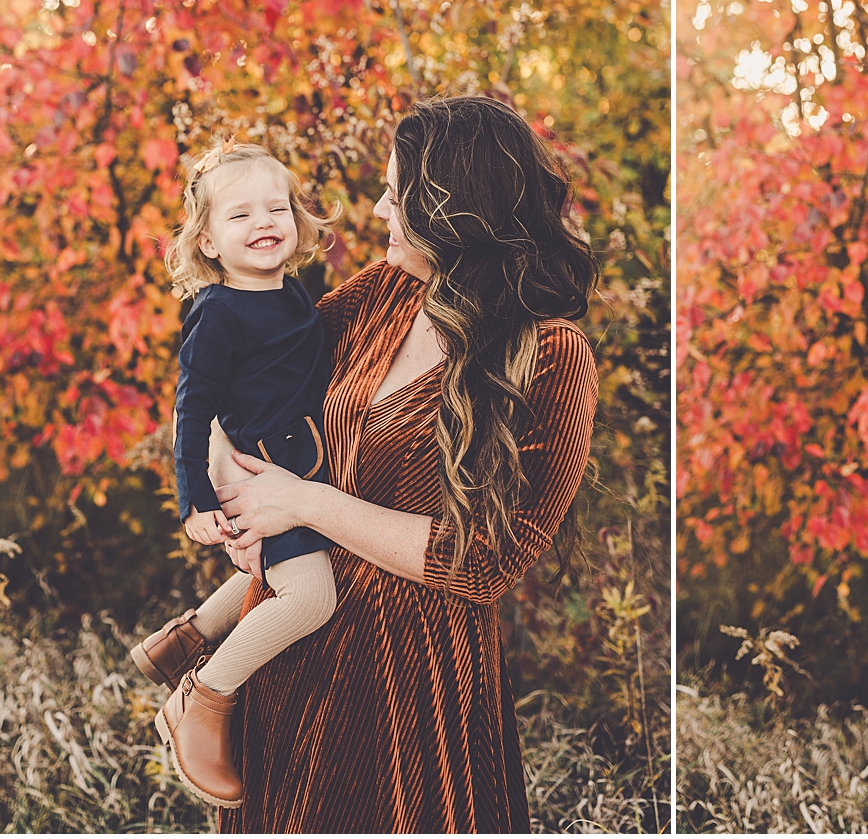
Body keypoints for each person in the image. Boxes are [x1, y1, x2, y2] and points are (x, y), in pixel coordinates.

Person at [211, 95, 599, 833]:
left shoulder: (548, 354)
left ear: (452, 212)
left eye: (398, 193)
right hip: (290, 652)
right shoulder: (380, 296)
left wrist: (307, 505)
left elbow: (489, 559)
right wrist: (242, 508)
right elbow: (246, 382)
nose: (382, 209)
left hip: (408, 692)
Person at [131, 142, 341, 810]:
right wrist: (195, 498)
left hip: (302, 467)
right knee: (310, 597)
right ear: (210, 242)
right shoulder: (218, 311)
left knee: (278, 567)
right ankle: (203, 695)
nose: (263, 222)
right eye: (240, 214)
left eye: (276, 207)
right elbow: (191, 409)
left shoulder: (295, 295)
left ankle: (181, 640)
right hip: (263, 474)